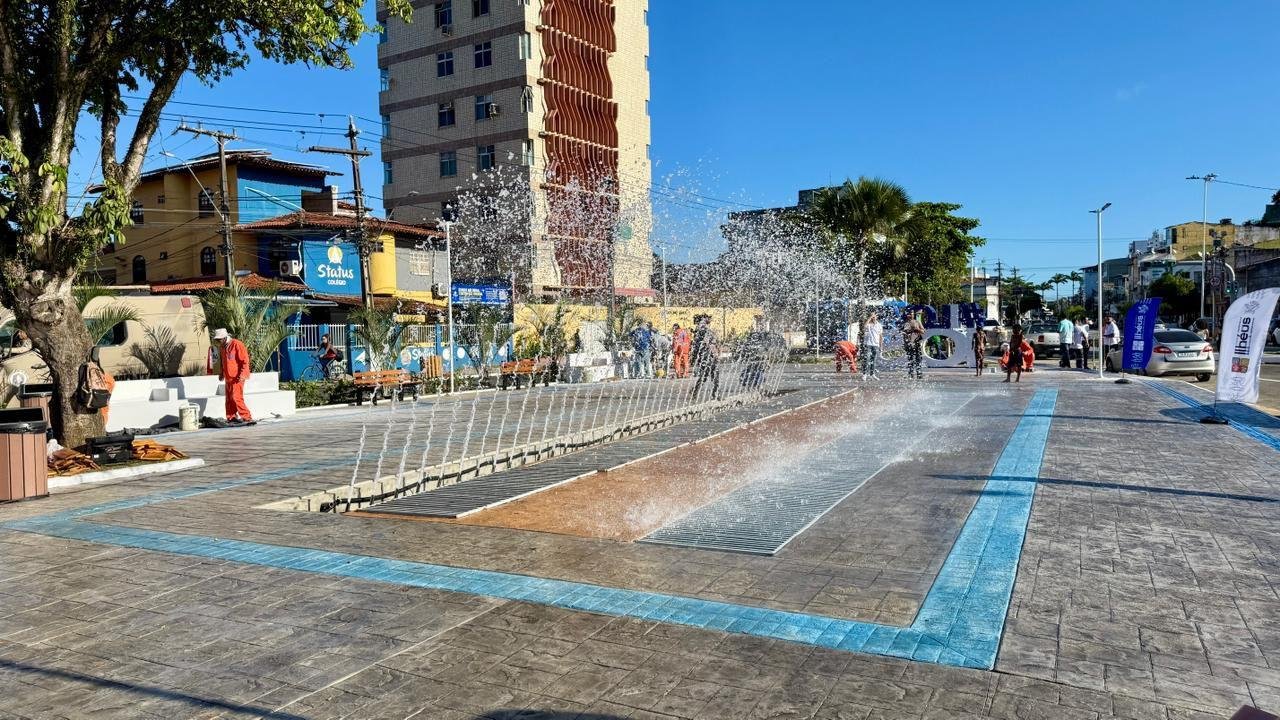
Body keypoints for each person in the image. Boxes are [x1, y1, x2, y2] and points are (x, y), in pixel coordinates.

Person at [214, 328, 253, 424]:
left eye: (219, 340)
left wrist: (243, 374)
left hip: (237, 377)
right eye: (217, 340)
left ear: (224, 338)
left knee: (236, 397)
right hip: (228, 377)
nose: (218, 342)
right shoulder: (222, 347)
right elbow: (223, 362)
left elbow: (245, 360)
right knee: (229, 399)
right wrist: (222, 373)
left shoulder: (237, 344)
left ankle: (247, 417)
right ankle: (231, 417)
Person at [690, 314, 720, 399]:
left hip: (709, 356)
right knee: (708, 376)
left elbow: (714, 342)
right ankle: (714, 394)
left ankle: (696, 392)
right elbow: (706, 343)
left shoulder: (704, 330)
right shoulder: (703, 330)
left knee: (707, 376)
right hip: (707, 356)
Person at [903, 310, 925, 379]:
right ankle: (911, 373)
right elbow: (904, 333)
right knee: (910, 359)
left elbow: (923, 331)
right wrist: (905, 343)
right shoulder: (906, 323)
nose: (910, 315)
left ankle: (919, 373)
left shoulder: (917, 322)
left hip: (917, 342)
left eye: (912, 314)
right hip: (909, 343)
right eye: (909, 314)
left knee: (918, 359)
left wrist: (918, 329)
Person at [862, 314, 883, 380]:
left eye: (874, 317)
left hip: (876, 344)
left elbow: (880, 336)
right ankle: (864, 374)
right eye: (872, 317)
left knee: (873, 360)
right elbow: (864, 326)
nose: (873, 318)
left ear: (876, 317)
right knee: (866, 359)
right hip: (868, 344)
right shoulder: (869, 324)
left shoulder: (879, 325)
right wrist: (870, 317)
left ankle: (872, 374)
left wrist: (881, 346)